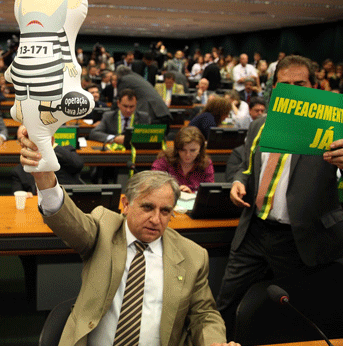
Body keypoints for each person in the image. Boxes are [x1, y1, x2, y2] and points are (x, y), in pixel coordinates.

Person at [18, 129, 238, 346]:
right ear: (126, 205)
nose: (155, 219)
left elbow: (204, 314)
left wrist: (214, 342)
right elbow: (69, 221)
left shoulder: (192, 256)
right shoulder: (104, 229)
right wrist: (44, 176)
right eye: (147, 207)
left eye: (165, 211)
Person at [217, 55, 343, 337]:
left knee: (296, 315)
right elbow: (246, 166)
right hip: (252, 232)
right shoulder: (259, 124)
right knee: (227, 305)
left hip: (300, 239)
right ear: (275, 89)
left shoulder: (333, 122)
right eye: (284, 84)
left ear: (314, 87)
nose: (291, 89)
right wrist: (238, 182)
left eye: (299, 83)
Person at [12, 125, 84, 197]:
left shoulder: (64, 151)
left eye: (29, 138)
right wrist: (26, 195)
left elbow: (78, 164)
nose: (24, 142)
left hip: (70, 198)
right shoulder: (19, 170)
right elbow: (17, 194)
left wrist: (50, 147)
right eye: (20, 140)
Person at [152, 126, 214, 193]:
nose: (188, 155)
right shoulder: (164, 159)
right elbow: (153, 185)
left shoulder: (206, 163)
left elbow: (209, 191)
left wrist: (191, 193)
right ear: (177, 149)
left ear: (200, 149)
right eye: (183, 150)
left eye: (193, 150)